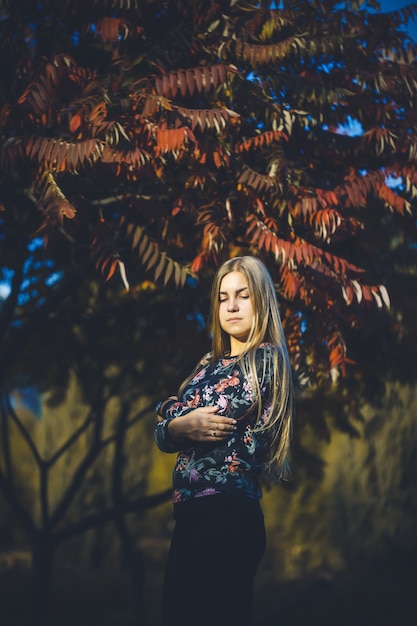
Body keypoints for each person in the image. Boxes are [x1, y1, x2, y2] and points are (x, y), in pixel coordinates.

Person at [155, 255, 294, 626]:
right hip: (190, 514)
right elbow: (167, 420)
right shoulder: (207, 363)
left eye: (243, 295)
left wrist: (176, 418)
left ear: (261, 301)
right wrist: (176, 425)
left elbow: (219, 409)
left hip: (229, 516)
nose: (231, 305)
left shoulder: (265, 359)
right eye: (223, 296)